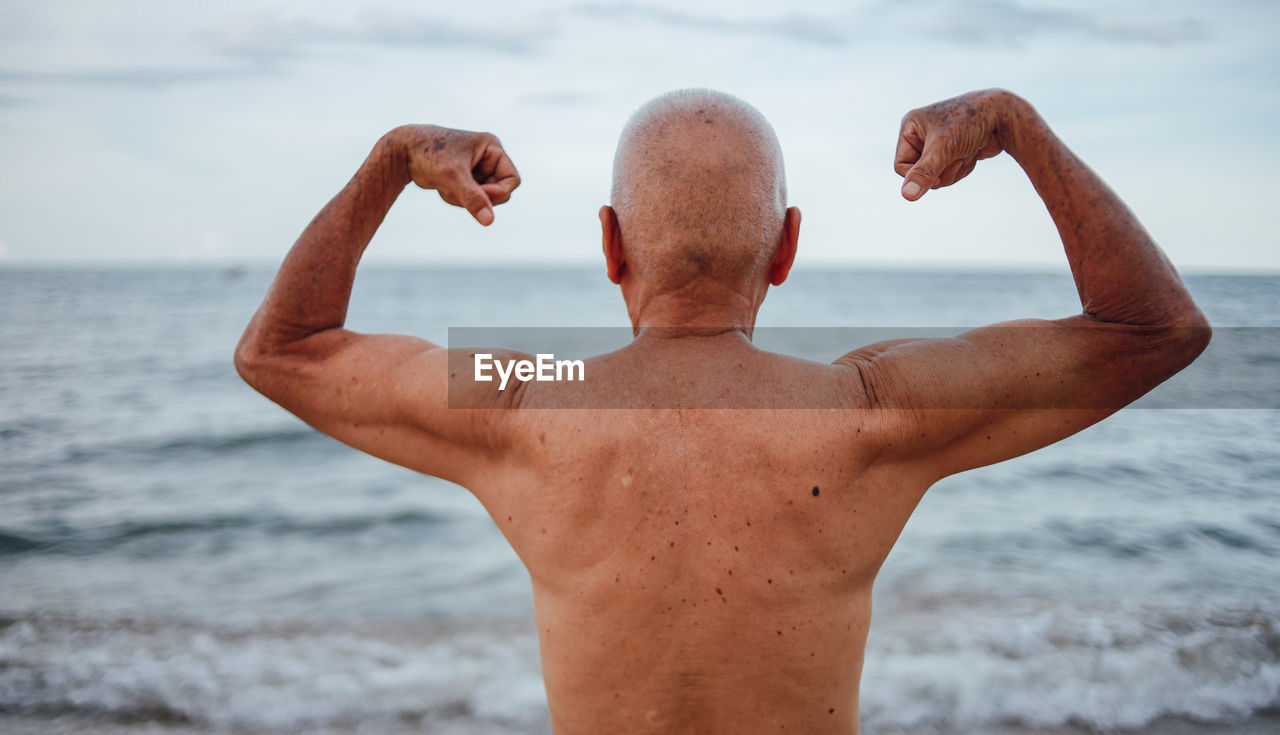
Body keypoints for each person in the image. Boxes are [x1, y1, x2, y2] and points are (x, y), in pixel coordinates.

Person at [235, 88, 1210, 734]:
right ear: (785, 250)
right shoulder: (864, 409)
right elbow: (1151, 329)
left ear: (610, 247)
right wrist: (1013, 127)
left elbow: (280, 349)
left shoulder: (527, 404)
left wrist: (394, 159)